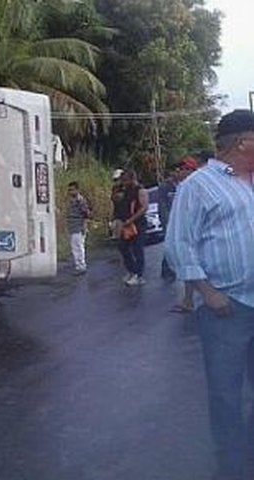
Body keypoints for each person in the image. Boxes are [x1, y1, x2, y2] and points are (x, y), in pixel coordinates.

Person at [165, 109, 254, 480]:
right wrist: (207, 293)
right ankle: (233, 466)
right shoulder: (198, 186)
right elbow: (179, 244)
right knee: (226, 392)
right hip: (226, 308)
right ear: (243, 143)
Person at [163, 156, 199, 313]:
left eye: (181, 169)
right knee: (188, 263)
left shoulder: (194, 186)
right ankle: (188, 299)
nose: (177, 172)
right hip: (186, 231)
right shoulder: (180, 186)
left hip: (195, 232)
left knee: (193, 263)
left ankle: (192, 300)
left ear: (190, 170)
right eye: (177, 169)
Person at [111, 169, 148, 286]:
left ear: (132, 179)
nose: (124, 183)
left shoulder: (140, 190)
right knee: (123, 247)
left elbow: (144, 207)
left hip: (138, 224)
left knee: (137, 248)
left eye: (126, 180)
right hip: (125, 224)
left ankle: (139, 275)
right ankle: (132, 270)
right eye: (123, 180)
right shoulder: (125, 190)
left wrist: (131, 220)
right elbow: (117, 202)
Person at [66, 181, 92, 275]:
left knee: (78, 247)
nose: (71, 192)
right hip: (72, 226)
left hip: (78, 226)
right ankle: (78, 265)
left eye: (72, 190)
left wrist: (84, 226)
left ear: (77, 190)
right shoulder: (71, 200)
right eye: (69, 190)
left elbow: (86, 214)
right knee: (74, 247)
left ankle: (81, 266)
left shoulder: (80, 201)